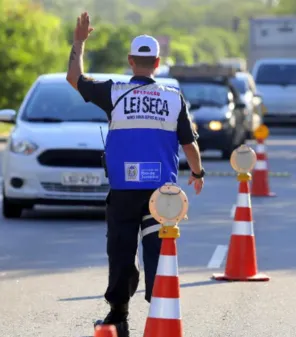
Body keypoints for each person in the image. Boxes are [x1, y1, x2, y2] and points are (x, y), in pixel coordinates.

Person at [65, 12, 205, 336]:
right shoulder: (173, 97)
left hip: (124, 191)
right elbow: (190, 146)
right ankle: (161, 313)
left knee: (121, 250)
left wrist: (79, 42)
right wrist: (198, 174)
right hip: (162, 195)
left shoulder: (114, 93)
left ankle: (118, 315)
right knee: (159, 251)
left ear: (131, 61)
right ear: (157, 63)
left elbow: (74, 78)